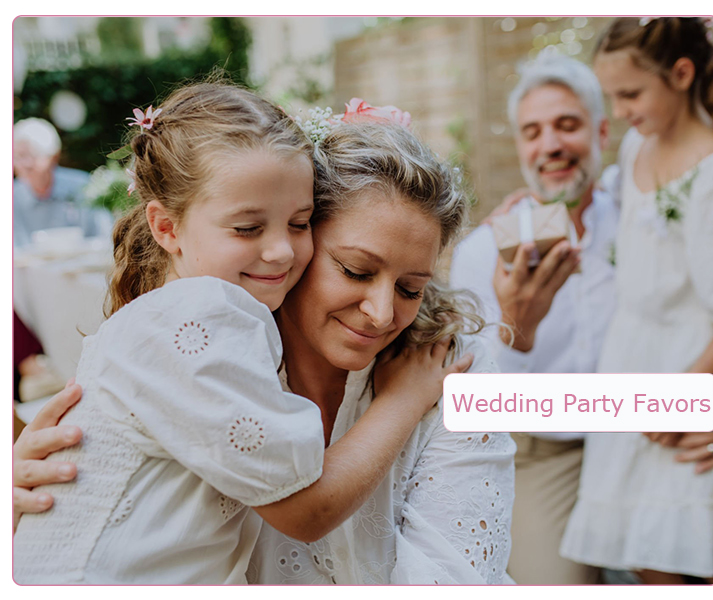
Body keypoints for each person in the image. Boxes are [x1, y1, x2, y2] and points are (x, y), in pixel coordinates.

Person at [15, 112, 516, 586]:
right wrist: (26, 498)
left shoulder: (449, 366)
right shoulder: (205, 352)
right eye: (355, 271)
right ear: (305, 238)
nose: (383, 312)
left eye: (411, 288)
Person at [558, 18, 713, 584]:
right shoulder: (634, 148)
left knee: (670, 542)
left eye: (631, 94)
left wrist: (689, 391)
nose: (620, 110)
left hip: (684, 362)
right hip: (629, 357)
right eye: (613, 96)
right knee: (635, 544)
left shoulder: (710, 172)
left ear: (681, 74)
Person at [450, 53, 609, 585]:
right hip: (543, 455)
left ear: (601, 131)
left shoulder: (643, 222)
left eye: (567, 125)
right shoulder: (482, 253)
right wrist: (518, 326)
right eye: (533, 132)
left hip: (643, 435)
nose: (551, 146)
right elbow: (474, 403)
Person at [12, 118, 111, 249]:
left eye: (33, 155)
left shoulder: (83, 186)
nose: (26, 164)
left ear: (54, 156)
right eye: (19, 156)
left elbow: (105, 237)